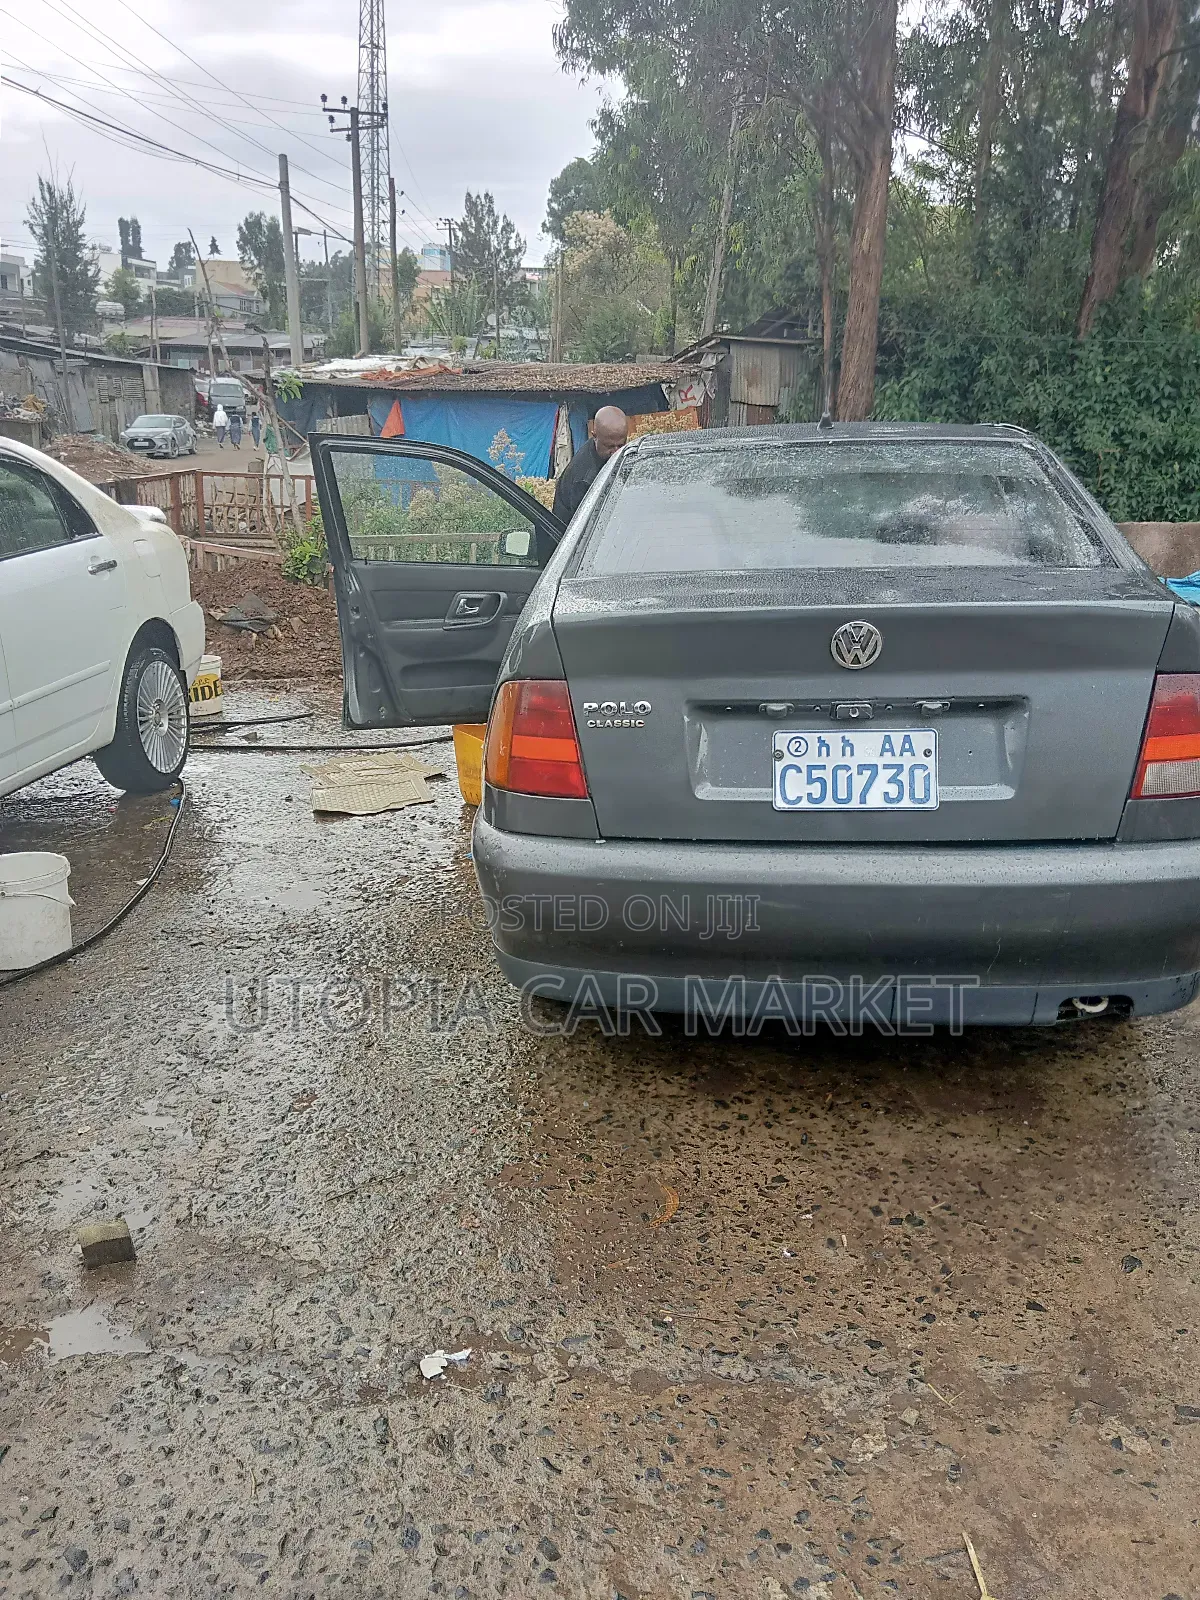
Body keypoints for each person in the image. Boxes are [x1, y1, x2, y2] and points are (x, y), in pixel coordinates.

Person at [551, 405, 627, 524]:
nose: (616, 452)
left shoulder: (601, 450)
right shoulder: (583, 480)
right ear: (594, 436)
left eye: (621, 446)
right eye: (610, 446)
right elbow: (587, 527)